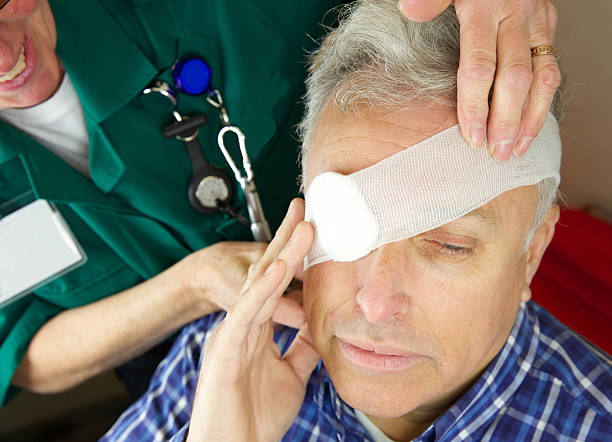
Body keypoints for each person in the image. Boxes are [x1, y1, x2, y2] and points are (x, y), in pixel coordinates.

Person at [0, 0, 560, 406]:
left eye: (448, 242)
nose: (3, 55)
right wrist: (194, 287)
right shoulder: (187, 396)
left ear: (533, 253)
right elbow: (19, 353)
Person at [101, 1, 610, 441]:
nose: (375, 302)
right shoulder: (220, 364)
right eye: (344, 223)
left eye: (450, 245)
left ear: (532, 253)